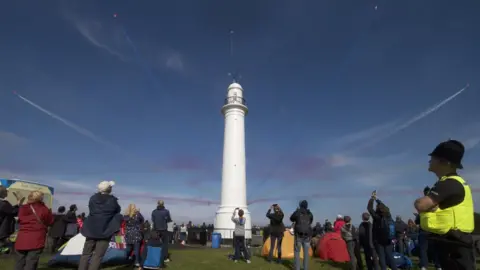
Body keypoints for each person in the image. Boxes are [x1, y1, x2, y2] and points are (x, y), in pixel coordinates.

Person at [414, 139, 475, 270]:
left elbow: (421, 205)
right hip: (454, 243)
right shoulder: (450, 182)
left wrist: (424, 204)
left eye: (433, 158)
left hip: (454, 245)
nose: (430, 160)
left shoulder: (450, 183)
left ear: (445, 162)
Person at [79, 181, 122, 270]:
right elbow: (118, 210)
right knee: (98, 255)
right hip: (105, 230)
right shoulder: (112, 200)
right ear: (110, 189)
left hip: (91, 229)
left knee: (86, 254)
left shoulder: (93, 198)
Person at [14, 190, 54, 270]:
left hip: (22, 238)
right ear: (40, 198)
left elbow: (19, 219)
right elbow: (50, 221)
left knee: (19, 262)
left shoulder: (23, 208)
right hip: (36, 239)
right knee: (31, 262)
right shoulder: (44, 209)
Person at [367, 191, 398, 270]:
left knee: (381, 256)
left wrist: (372, 198)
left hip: (379, 240)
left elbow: (369, 208)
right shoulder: (389, 215)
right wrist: (377, 199)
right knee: (390, 255)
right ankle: (394, 268)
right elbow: (382, 206)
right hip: (389, 239)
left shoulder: (377, 217)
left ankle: (384, 268)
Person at [290, 200, 313, 270]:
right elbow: (311, 221)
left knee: (297, 252)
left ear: (300, 205)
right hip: (307, 236)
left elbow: (291, 218)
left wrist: (296, 211)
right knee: (306, 254)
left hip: (298, 236)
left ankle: (297, 268)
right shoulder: (310, 213)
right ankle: (305, 268)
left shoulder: (297, 212)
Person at [0, 186, 22, 254]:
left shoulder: (3, 204)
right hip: (2, 230)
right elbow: (14, 211)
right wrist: (19, 203)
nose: (7, 192)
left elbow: (10, 209)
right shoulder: (3, 204)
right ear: (3, 193)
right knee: (5, 248)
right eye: (6, 191)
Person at [151, 200, 172, 264]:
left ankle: (156, 256)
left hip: (156, 229)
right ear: (163, 204)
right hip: (164, 229)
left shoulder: (154, 212)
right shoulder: (166, 211)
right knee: (165, 244)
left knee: (155, 243)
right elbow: (169, 220)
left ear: (157, 204)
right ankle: (165, 258)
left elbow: (153, 220)